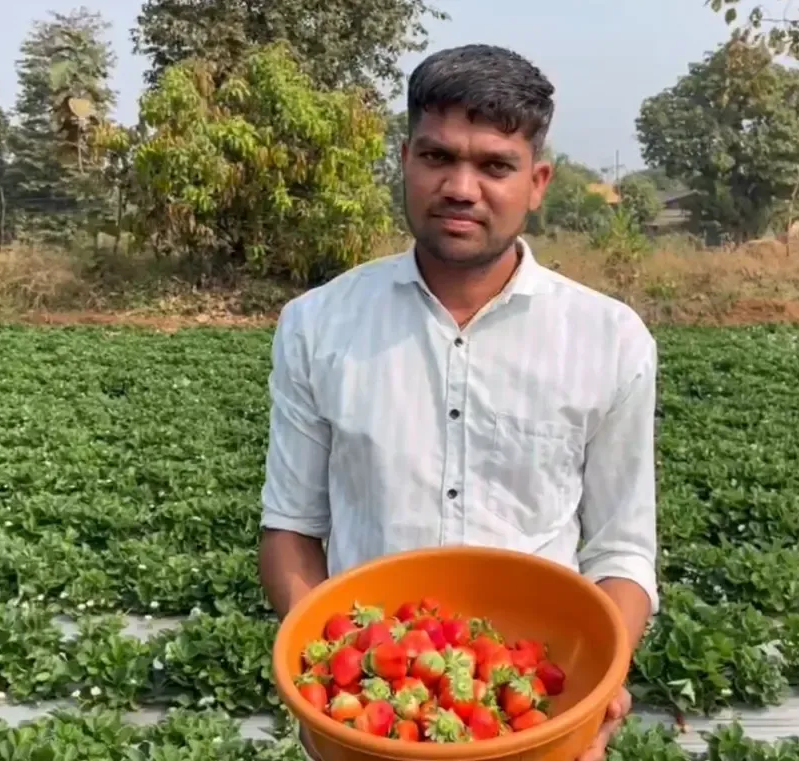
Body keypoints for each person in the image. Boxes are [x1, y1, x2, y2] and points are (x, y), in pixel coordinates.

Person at [258, 43, 659, 761]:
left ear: (536, 182)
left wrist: (600, 683)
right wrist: (326, 673)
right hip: (370, 719)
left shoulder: (609, 339)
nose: (461, 187)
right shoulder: (317, 325)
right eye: (437, 157)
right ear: (404, 160)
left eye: (495, 166)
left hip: (535, 713)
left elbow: (622, 549)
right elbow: (291, 526)